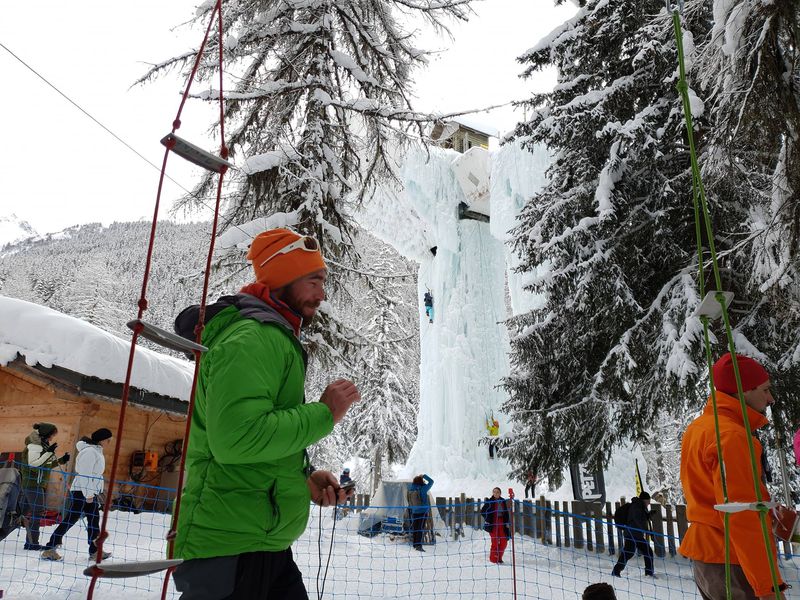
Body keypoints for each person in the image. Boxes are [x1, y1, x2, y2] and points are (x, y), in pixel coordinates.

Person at [171, 228, 360, 600]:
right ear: (283, 277)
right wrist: (324, 414)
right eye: (314, 280)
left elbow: (254, 442)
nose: (322, 294)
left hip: (259, 541)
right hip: (229, 548)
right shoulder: (251, 339)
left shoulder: (272, 336)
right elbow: (237, 439)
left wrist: (301, 477)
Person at [680, 353, 787, 599]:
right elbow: (740, 514)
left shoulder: (700, 428)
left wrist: (767, 512)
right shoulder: (732, 437)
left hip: (708, 560)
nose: (770, 398)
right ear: (743, 391)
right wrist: (768, 587)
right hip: (733, 560)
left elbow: (712, 496)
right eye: (765, 389)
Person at [41, 428, 113, 562]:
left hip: (88, 491)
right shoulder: (90, 452)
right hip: (83, 491)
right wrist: (89, 494)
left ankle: (95, 550)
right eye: (108, 439)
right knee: (72, 518)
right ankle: (50, 548)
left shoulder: (96, 451)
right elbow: (86, 474)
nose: (110, 442)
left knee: (93, 520)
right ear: (102, 439)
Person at [18, 423, 69, 551]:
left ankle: (29, 541)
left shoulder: (42, 445)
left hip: (36, 484)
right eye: (52, 435)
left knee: (21, 512)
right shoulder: (35, 446)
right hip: (33, 484)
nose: (52, 438)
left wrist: (62, 460)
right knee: (37, 512)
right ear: (46, 434)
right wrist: (48, 453)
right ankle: (32, 543)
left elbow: (46, 465)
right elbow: (34, 464)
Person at [612, 491, 655, 578]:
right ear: (644, 500)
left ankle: (649, 573)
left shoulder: (640, 506)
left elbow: (641, 518)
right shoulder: (636, 507)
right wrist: (647, 530)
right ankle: (616, 571)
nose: (649, 502)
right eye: (648, 500)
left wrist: (648, 515)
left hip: (637, 535)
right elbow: (636, 520)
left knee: (648, 552)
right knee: (629, 553)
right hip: (631, 534)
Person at [481, 487, 511, 564]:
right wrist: (488, 518)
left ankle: (499, 558)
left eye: (497, 492)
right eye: (494, 492)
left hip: (502, 523)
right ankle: (493, 559)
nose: (496, 493)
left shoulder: (503, 501)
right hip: (493, 523)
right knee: (495, 542)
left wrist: (507, 522)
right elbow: (483, 511)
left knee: (504, 541)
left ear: (500, 493)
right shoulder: (489, 501)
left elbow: (506, 512)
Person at [408, 474, 434, 551]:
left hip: (414, 511)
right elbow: (431, 482)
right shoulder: (423, 489)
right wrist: (424, 476)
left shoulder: (411, 489)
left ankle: (415, 544)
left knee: (415, 528)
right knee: (420, 528)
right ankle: (418, 546)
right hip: (423, 512)